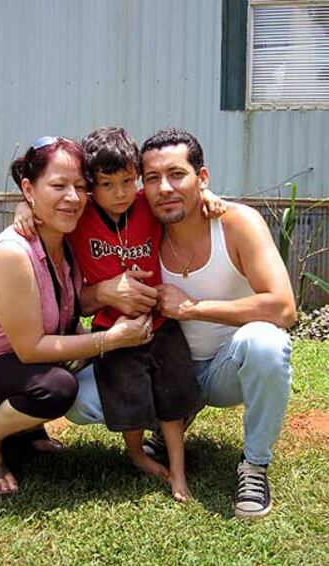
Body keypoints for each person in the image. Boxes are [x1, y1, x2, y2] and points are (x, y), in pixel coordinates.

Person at [92, 128, 297, 519]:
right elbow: (82, 199)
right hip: (168, 368)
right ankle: (172, 417)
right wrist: (24, 209)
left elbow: (284, 308)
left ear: (202, 179)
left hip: (225, 369)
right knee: (86, 401)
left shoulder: (237, 224)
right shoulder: (138, 222)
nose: (164, 188)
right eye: (152, 178)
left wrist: (194, 308)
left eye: (177, 175)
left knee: (266, 343)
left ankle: (254, 466)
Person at [0, 136, 151, 497]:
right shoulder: (13, 254)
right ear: (29, 189)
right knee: (57, 387)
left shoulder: (66, 237)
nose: (73, 197)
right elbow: (32, 349)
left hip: (13, 358)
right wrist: (109, 340)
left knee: (84, 360)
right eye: (58, 186)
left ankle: (26, 429)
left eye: (80, 187)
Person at [14, 127, 226, 502]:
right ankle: (135, 452)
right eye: (107, 185)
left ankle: (178, 472)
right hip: (113, 327)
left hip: (161, 324)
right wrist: (23, 208)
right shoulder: (79, 216)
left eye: (128, 181)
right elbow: (44, 206)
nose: (120, 193)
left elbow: (180, 196)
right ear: (91, 186)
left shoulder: (147, 204)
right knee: (130, 397)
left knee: (173, 396)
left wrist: (206, 195)